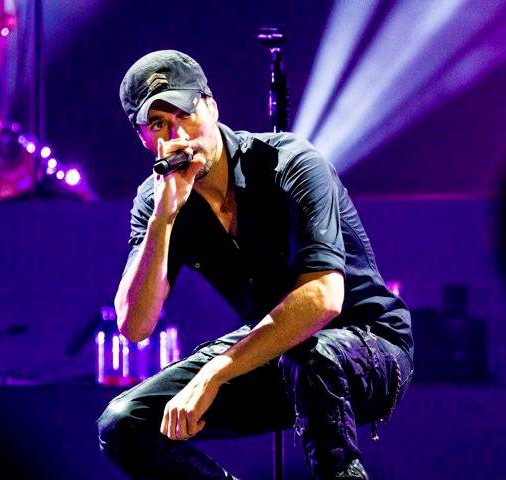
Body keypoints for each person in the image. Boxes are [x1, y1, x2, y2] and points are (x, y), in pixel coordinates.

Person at [97, 49, 414, 480]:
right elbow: (135, 326)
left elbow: (323, 298)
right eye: (158, 125)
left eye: (185, 114)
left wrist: (215, 372)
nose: (177, 135)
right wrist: (164, 219)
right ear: (143, 139)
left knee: (310, 357)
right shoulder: (157, 201)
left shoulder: (291, 163)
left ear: (211, 106)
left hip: (368, 346)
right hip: (273, 353)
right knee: (124, 424)